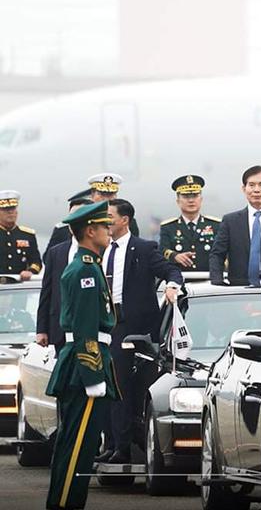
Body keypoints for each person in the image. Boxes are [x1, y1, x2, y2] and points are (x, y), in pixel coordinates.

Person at [45, 201, 119, 510]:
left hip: (82, 363)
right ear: (90, 231)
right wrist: (92, 375)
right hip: (83, 367)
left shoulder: (89, 265)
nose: (109, 231)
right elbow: (85, 327)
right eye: (104, 226)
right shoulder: (85, 270)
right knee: (77, 448)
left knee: (77, 446)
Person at [98, 199, 182, 464]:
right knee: (107, 387)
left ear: (125, 220)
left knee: (122, 385)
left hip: (132, 328)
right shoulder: (100, 248)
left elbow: (170, 269)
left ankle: (123, 447)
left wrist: (171, 286)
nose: (106, 221)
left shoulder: (143, 248)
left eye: (110, 216)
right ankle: (110, 443)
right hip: (105, 324)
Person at [209, 165, 261, 286]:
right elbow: (217, 254)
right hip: (239, 290)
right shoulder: (230, 221)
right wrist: (217, 282)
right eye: (252, 185)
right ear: (244, 189)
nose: (256, 190)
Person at [36, 218, 85, 351]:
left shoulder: (102, 249)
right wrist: (41, 329)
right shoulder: (56, 252)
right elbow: (47, 292)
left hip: (88, 330)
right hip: (60, 331)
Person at [159, 175, 221, 272]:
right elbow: (162, 250)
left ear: (201, 199)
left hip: (209, 279)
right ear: (178, 201)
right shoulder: (168, 227)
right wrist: (175, 256)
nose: (191, 200)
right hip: (180, 279)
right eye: (186, 196)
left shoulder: (215, 225)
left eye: (195, 196)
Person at [0, 190, 42, 279]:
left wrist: (30, 271)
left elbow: (37, 262)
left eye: (13, 208)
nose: (10, 212)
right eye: (5, 209)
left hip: (19, 286)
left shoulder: (27, 235)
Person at [44, 191, 92, 257]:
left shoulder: (103, 249)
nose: (74, 220)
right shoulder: (55, 252)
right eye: (72, 216)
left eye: (80, 216)